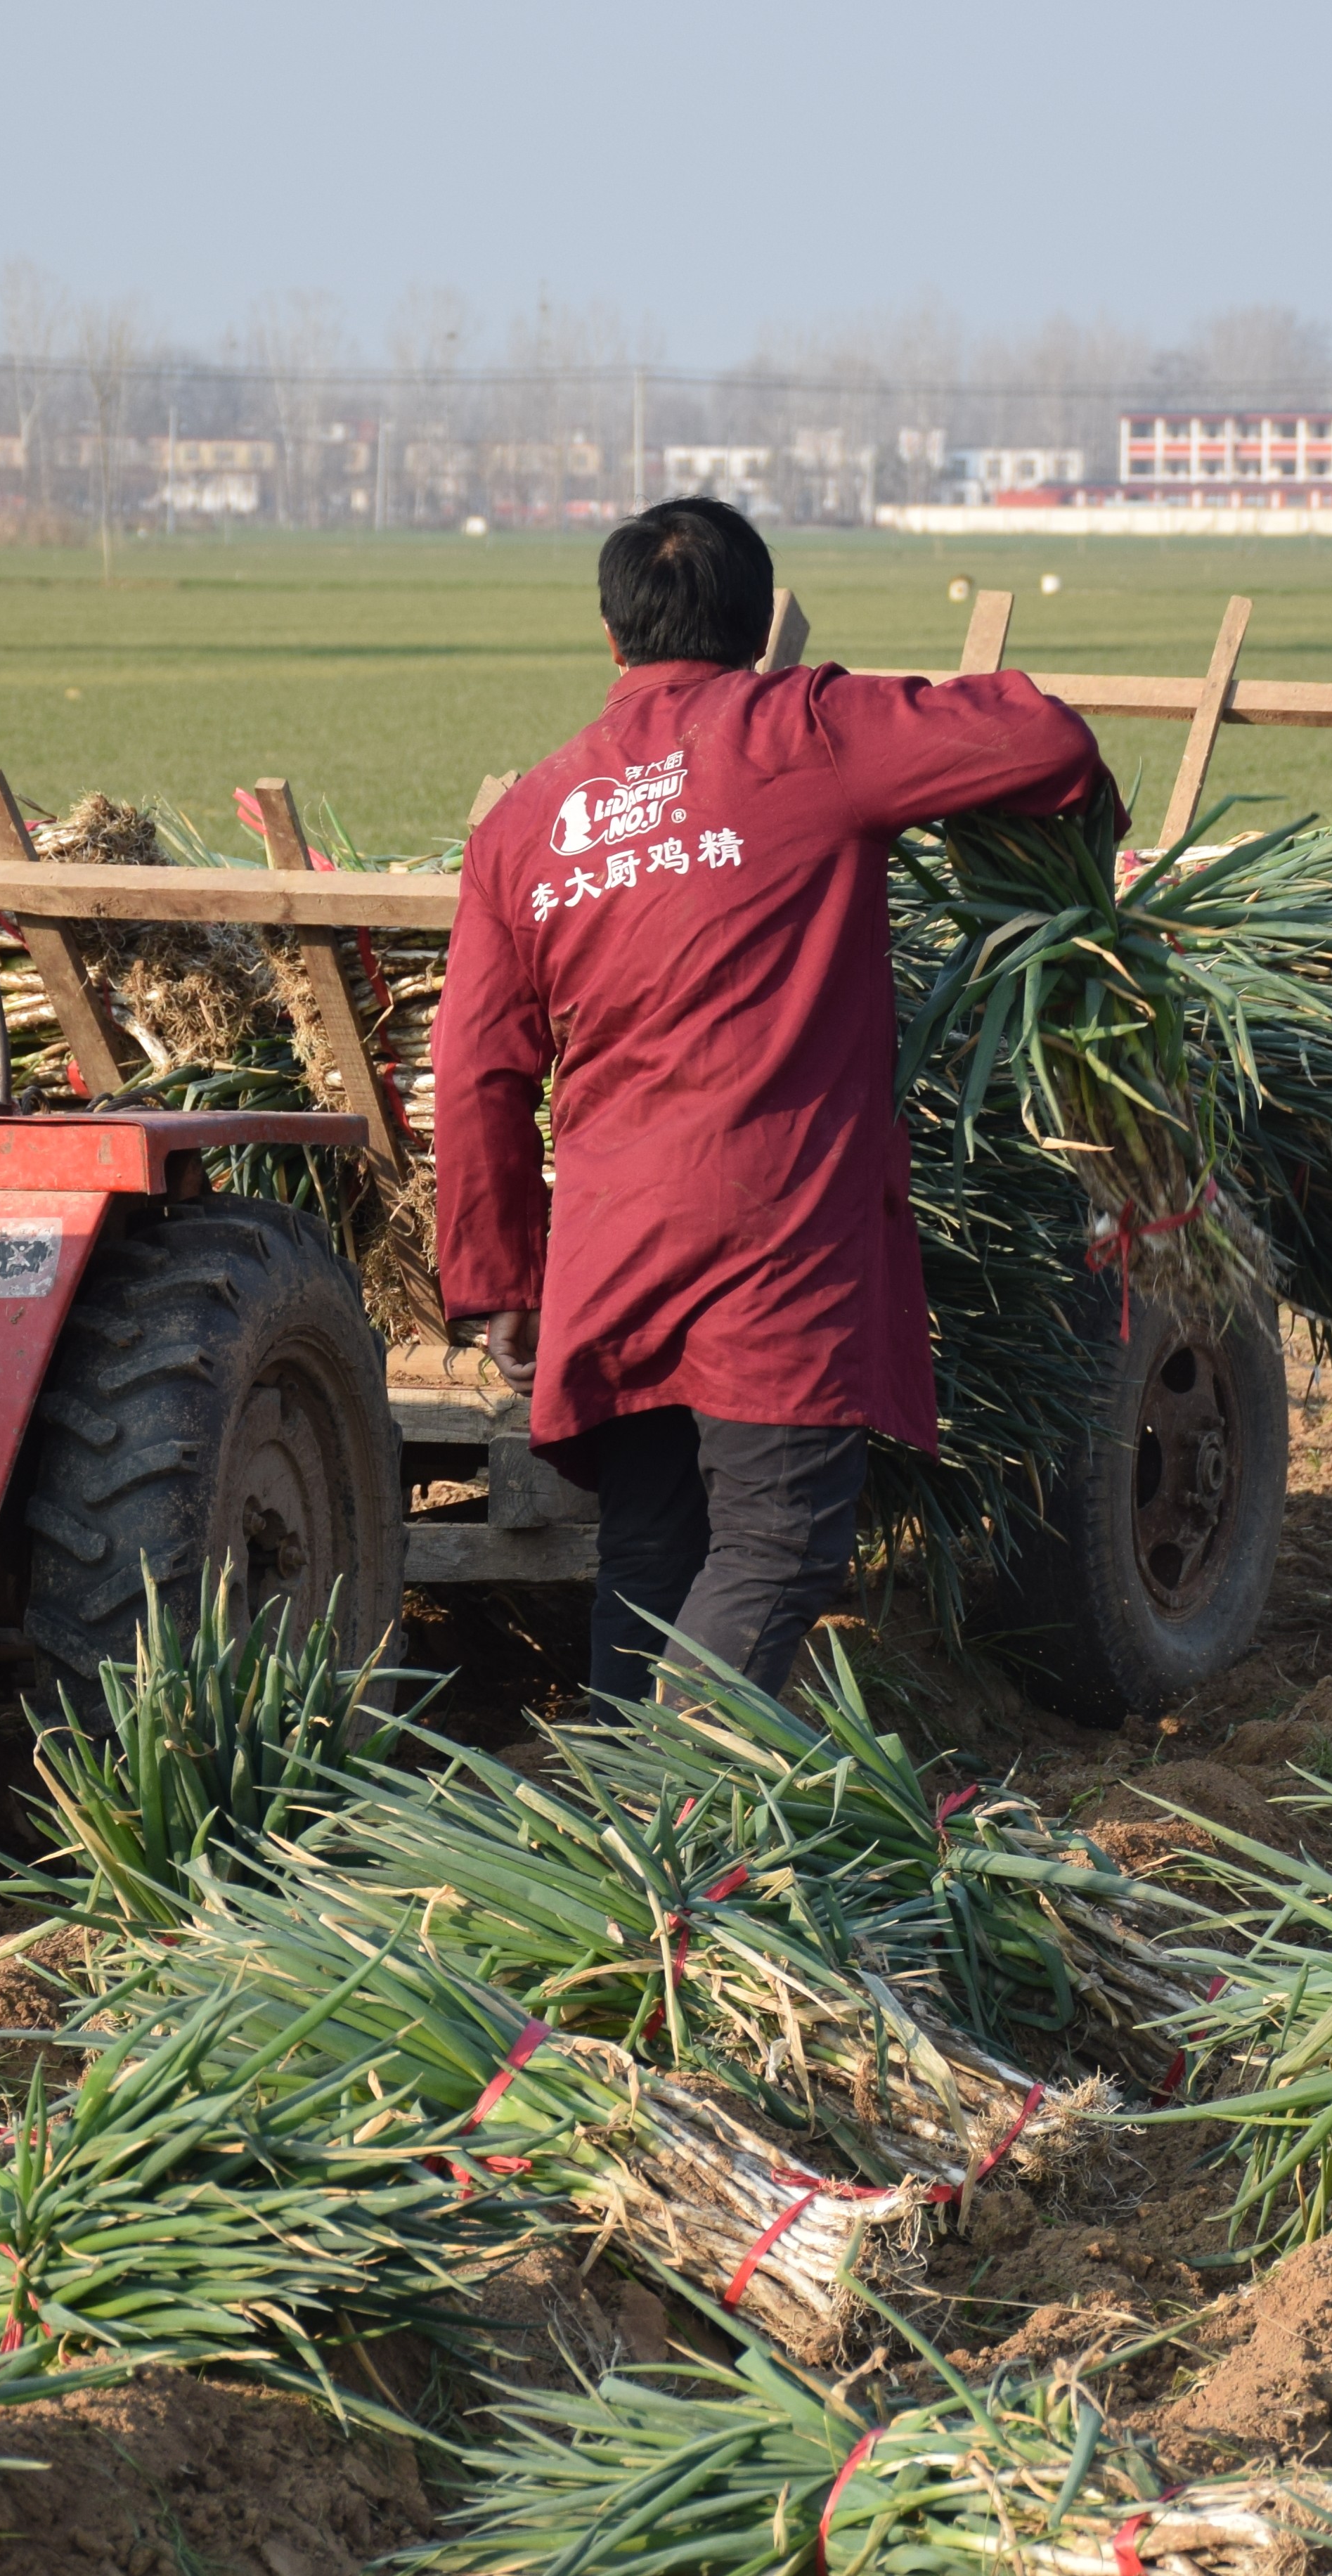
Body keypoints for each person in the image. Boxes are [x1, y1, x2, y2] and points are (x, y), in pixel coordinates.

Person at [434, 499, 1112, 1703]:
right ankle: (659, 1830)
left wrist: (502, 1279)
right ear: (757, 627)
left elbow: (479, 1069)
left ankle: (604, 1857)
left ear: (611, 638)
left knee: (655, 1552)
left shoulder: (526, 823)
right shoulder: (807, 730)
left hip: (613, 1249)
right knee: (778, 1543)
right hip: (773, 1241)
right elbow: (1043, 741)